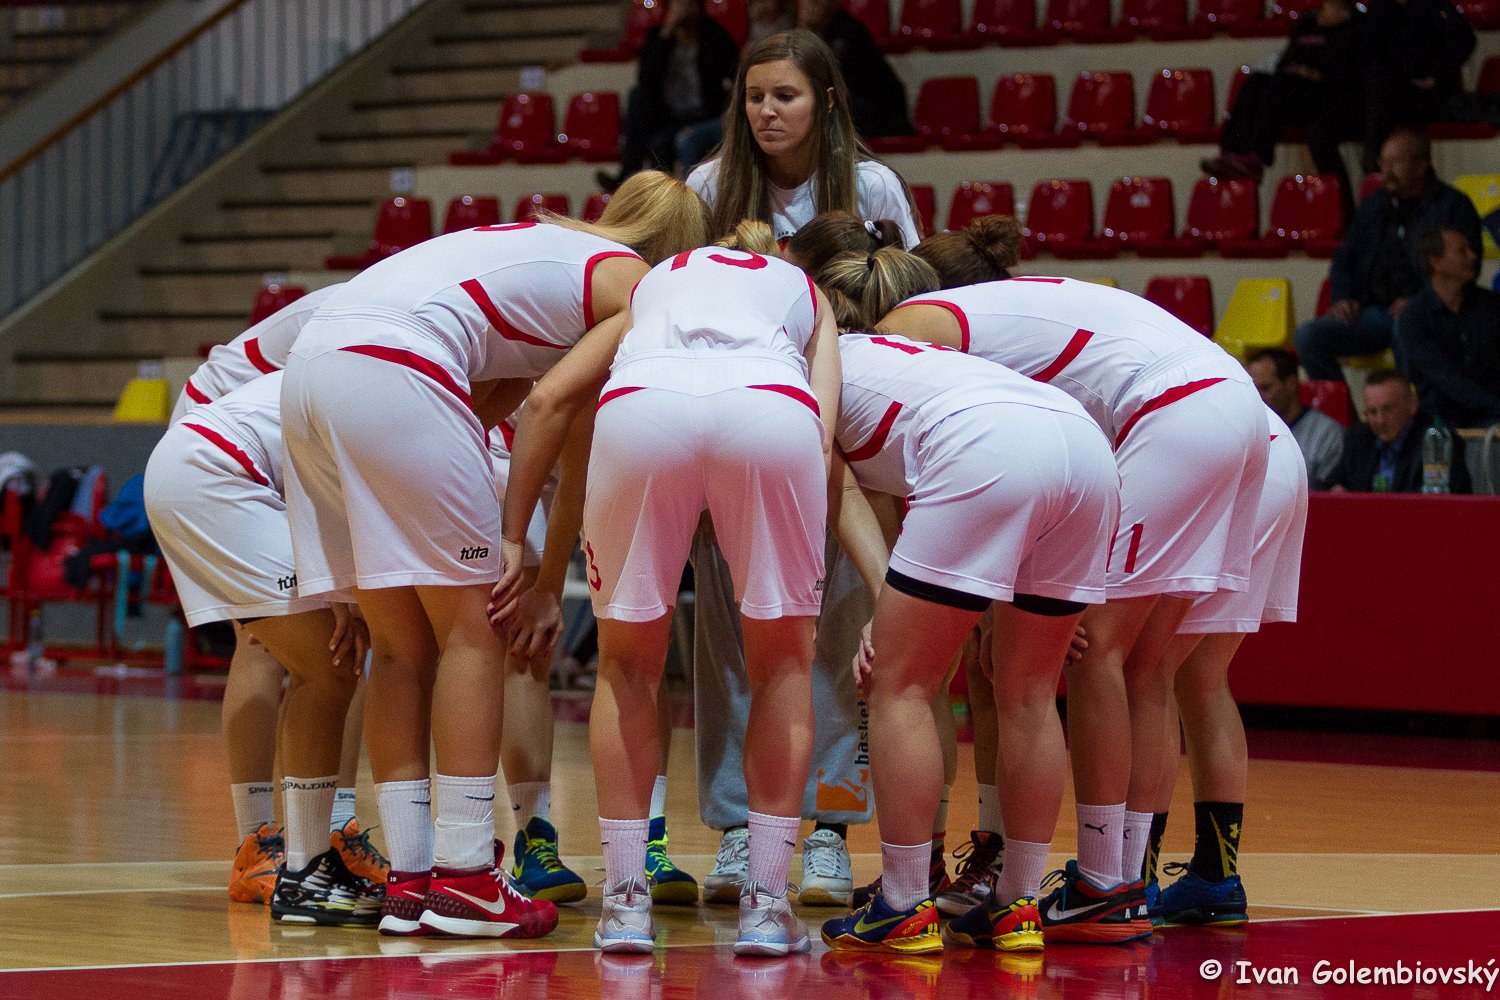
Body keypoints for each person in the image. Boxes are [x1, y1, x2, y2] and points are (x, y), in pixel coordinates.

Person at [279, 171, 707, 940]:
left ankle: (412, 881)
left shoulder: (544, 259)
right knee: (476, 629)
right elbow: (557, 416)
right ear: (683, 258)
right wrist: (522, 553)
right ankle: (471, 874)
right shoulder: (645, 289)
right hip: (391, 367)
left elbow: (493, 403)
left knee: (401, 646)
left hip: (310, 372)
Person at [897, 216, 1269, 944]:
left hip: (1180, 415)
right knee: (1146, 665)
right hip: (1237, 410)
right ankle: (1121, 875)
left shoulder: (922, 322)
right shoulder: (1024, 310)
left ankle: (1102, 884)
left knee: (1089, 649)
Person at [493, 230, 841, 956]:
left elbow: (550, 395)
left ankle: (624, 903)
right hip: (770, 406)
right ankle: (768, 906)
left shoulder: (654, 282)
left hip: (640, 408)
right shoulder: (806, 293)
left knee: (625, 667)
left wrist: (512, 540)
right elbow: (824, 431)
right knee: (782, 664)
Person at [808, 248, 1119, 954]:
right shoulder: (909, 359)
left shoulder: (813, 362)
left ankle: (903, 902)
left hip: (987, 448)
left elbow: (841, 488)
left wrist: (887, 607)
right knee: (1032, 693)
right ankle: (1018, 907)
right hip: (1083, 448)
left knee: (901, 684)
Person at [683, 28, 922, 907]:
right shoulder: (709, 187)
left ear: (824, 100)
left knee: (840, 634)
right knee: (735, 637)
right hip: (735, 428)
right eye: (754, 96)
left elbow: (908, 298)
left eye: (784, 95)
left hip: (845, 432)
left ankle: (826, 832)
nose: (767, 111)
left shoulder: (875, 186)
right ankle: (743, 831)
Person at [168, 283, 389, 907]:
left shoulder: (398, 310)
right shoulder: (368, 313)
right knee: (269, 641)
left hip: (285, 436)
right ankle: (256, 840)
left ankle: (328, 830)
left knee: (346, 641)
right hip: (225, 437)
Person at [1138, 412, 1309, 927]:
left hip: (1217, 457)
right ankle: (1216, 877)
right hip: (1276, 452)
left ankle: (1130, 879)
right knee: (1202, 676)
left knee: (1144, 670)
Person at [1293, 129, 1481, 383]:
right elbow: (1345, 256)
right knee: (1308, 337)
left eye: (1395, 162)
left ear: (1421, 164)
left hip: (1425, 312)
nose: (1386, 169)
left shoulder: (1453, 206)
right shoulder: (1373, 205)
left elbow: (1466, 267)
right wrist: (1343, 297)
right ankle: (1342, 415)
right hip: (1370, 312)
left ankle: (1410, 414)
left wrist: (1420, 302)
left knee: (1408, 328)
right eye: (1383, 162)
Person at [1200, 0, 1362, 215]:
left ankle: (1259, 157)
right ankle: (1232, 153)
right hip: (1295, 91)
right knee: (1256, 81)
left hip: (1330, 96)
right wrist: (1299, 70)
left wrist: (1312, 73)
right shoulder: (1307, 21)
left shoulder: (1358, 24)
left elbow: (1351, 73)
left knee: (1281, 84)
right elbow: (1287, 60)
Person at [596, 0, 738, 191]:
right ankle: (629, 176)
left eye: (687, 4)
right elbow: (645, 78)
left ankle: (674, 194)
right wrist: (667, 31)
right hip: (669, 114)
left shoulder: (713, 35)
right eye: (677, 4)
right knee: (638, 98)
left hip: (703, 114)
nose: (682, 9)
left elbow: (735, 73)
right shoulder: (659, 35)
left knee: (662, 142)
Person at [1394, 226, 1500, 428]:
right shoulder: (1414, 317)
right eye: (1462, 251)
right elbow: (1445, 378)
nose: (1472, 256)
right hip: (1441, 423)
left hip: (1492, 416)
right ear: (1436, 262)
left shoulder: (1492, 306)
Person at [1359, 0, 1475, 172]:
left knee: (1383, 95)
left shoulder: (1435, 6)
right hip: (1390, 91)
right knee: (1379, 89)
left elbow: (1464, 40)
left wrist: (1436, 75)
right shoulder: (1380, 9)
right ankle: (1377, 165)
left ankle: (1382, 165)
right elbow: (1366, 52)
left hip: (1429, 92)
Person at [1330, 368, 1471, 491]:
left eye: (1388, 409)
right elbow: (1333, 483)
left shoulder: (1434, 439)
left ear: (1412, 404)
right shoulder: (1358, 438)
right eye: (1372, 412)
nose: (1380, 420)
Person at [796, 0, 914, 139]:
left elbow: (837, 85)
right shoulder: (798, 30)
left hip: (872, 114)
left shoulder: (850, 31)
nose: (809, 7)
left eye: (815, 3)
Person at [1246, 348, 1346, 489]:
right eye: (1254, 389)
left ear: (1291, 384)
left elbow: (1325, 498)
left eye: (1265, 388)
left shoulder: (1327, 434)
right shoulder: (1246, 432)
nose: (1258, 397)